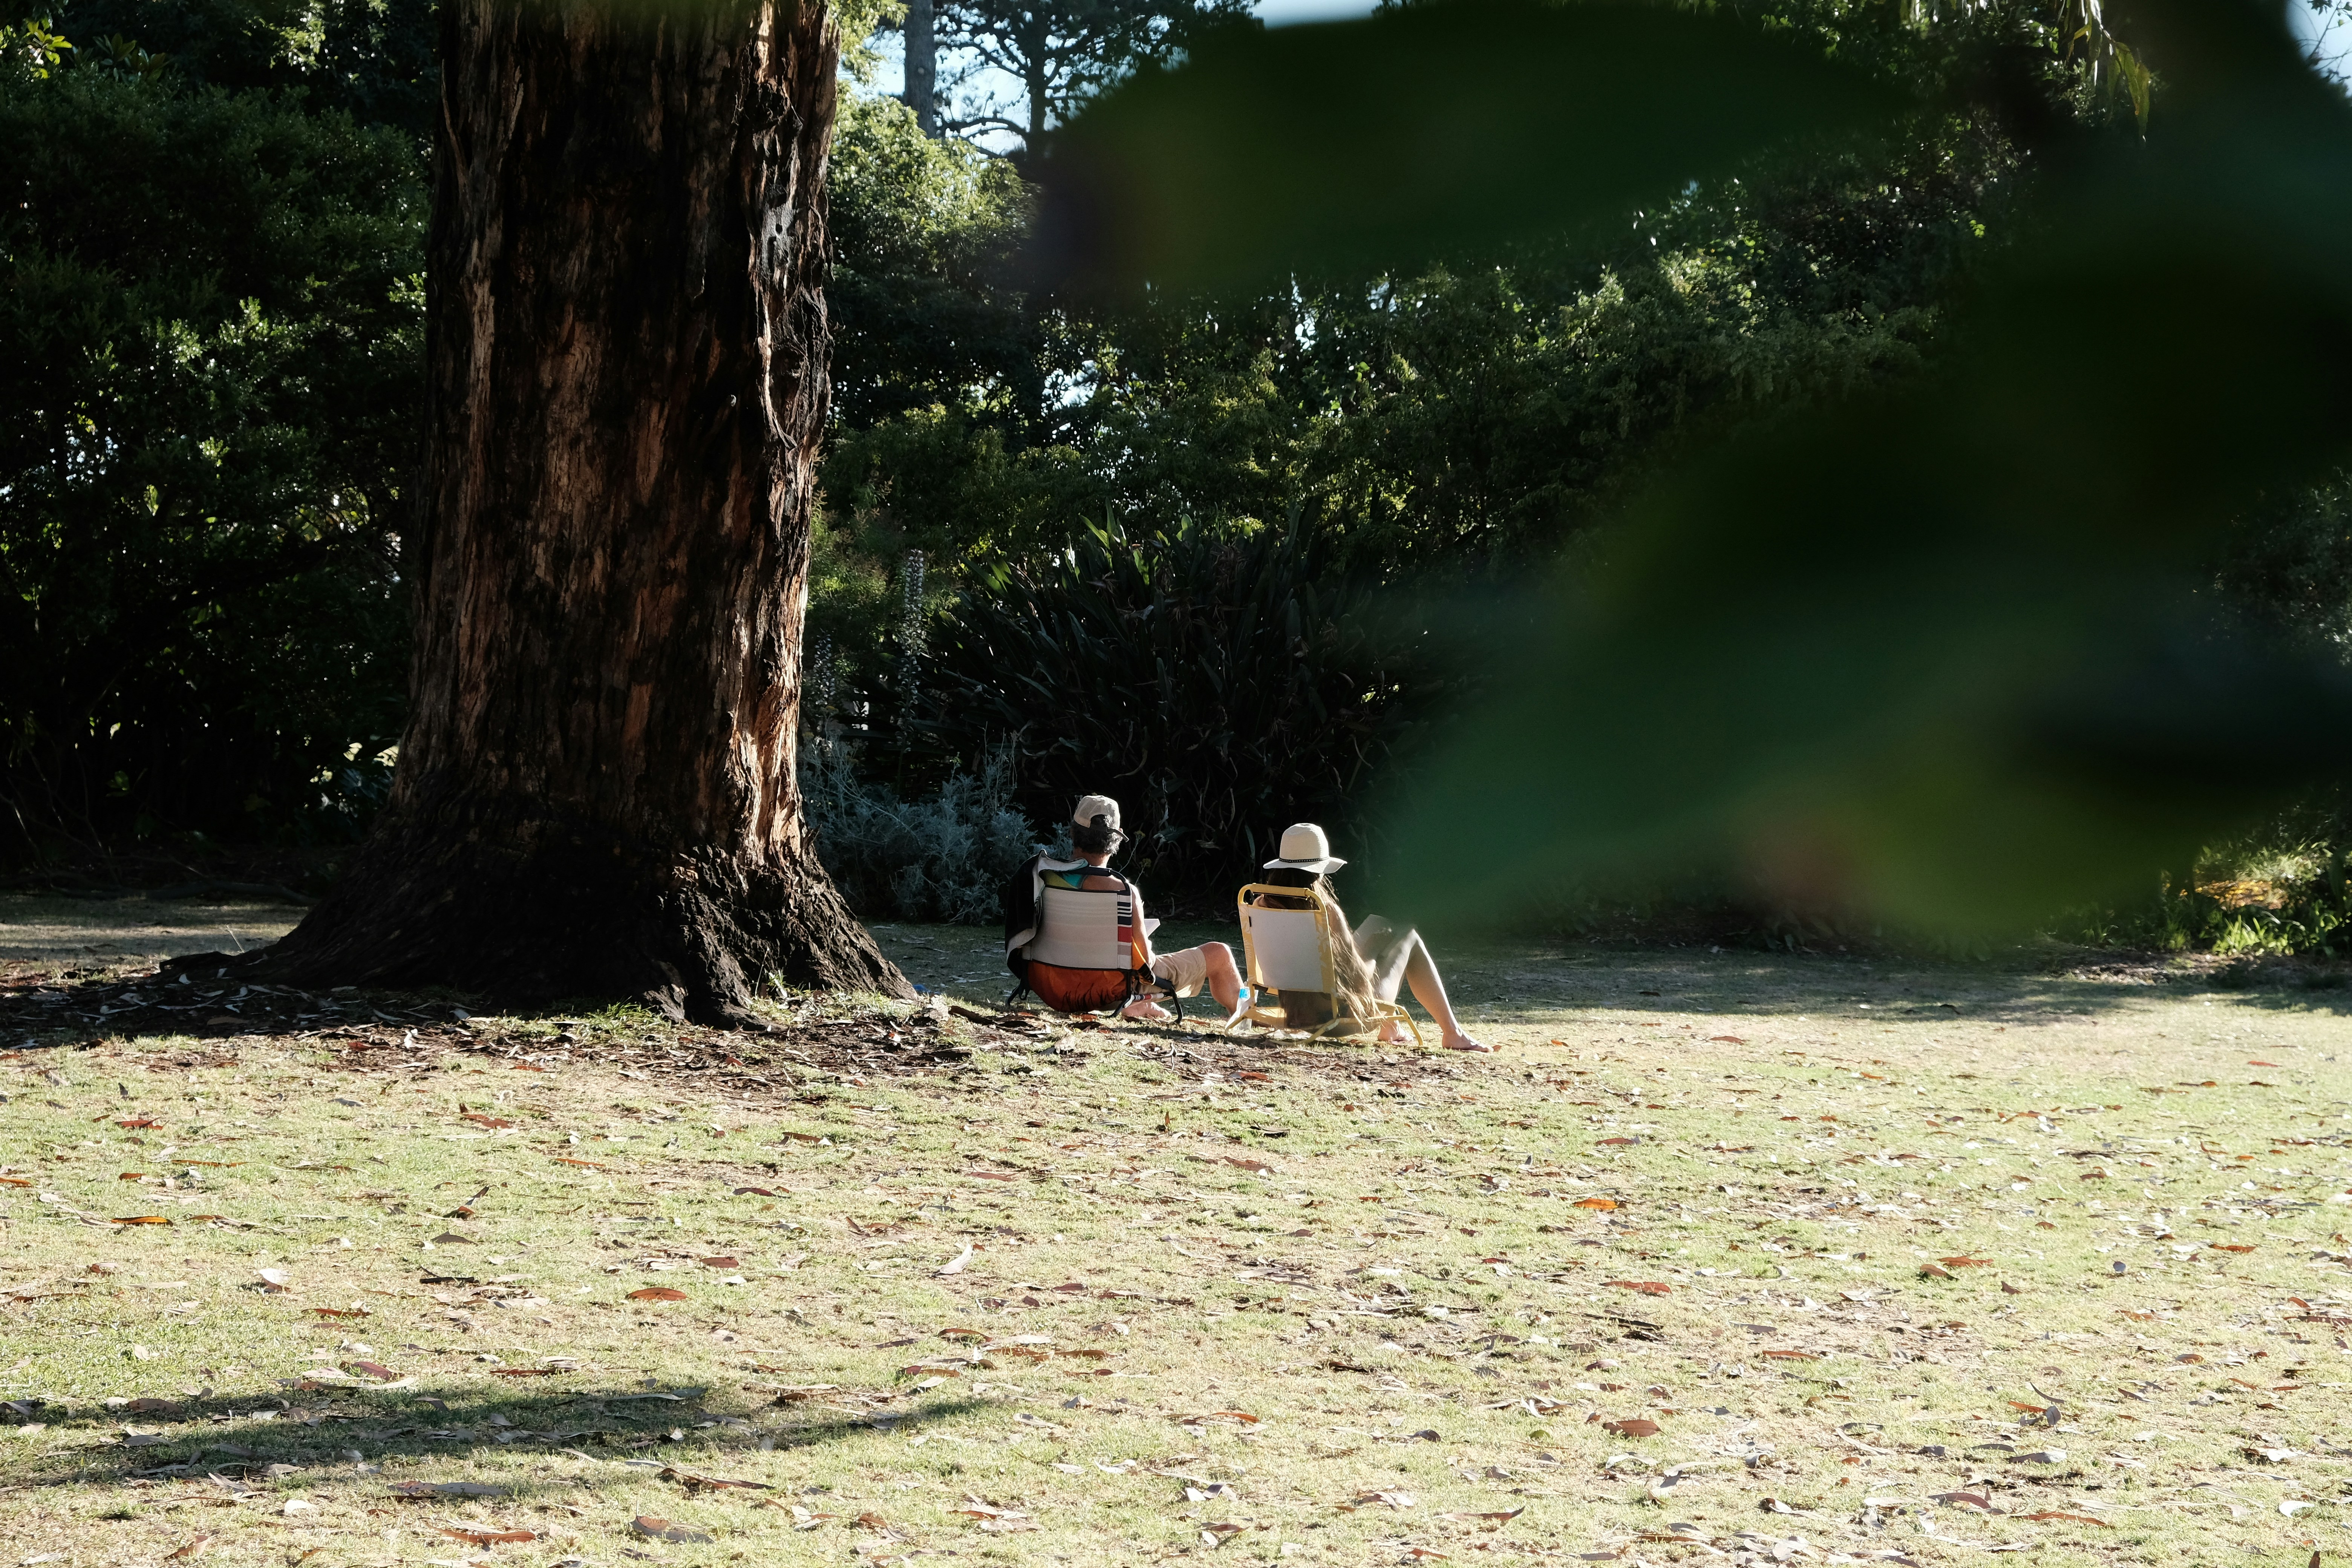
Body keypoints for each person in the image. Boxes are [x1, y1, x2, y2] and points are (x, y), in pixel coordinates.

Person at [1251, 822, 1489, 1052]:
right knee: (1409, 936)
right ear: (1320, 869)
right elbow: (1359, 983)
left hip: (1299, 1012)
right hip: (1339, 1016)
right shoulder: (1324, 910)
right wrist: (1373, 951)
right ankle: (1453, 1033)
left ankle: (1393, 1028)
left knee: (1377, 922)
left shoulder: (1261, 904)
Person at [1012, 795, 1247, 1023]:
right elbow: (1146, 965)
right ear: (1116, 841)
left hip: (1053, 988)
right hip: (1111, 990)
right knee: (1220, 953)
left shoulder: (1042, 878)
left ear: (1073, 833)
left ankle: (1140, 1005)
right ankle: (1247, 1018)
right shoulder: (1124, 891)